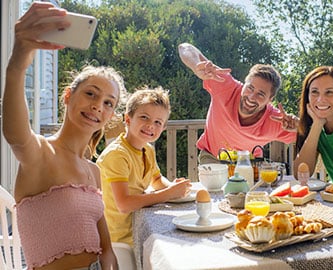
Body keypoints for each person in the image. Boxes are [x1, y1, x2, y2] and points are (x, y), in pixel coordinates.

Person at [2, 2, 124, 269]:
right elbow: (15, 134)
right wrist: (17, 65)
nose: (97, 106)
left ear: (112, 114)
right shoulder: (41, 154)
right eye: (90, 93)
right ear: (68, 96)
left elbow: (107, 250)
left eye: (108, 103)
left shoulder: (93, 172)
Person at [96, 87, 191, 246]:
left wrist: (177, 188)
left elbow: (157, 181)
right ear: (128, 119)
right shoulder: (117, 155)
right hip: (120, 241)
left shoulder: (148, 150)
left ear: (163, 127)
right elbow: (124, 204)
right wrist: (169, 193)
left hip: (141, 226)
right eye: (144, 117)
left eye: (157, 122)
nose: (150, 125)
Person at [178, 43, 298, 164]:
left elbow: (311, 136)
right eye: (250, 88)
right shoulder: (224, 85)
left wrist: (300, 126)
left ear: (270, 99)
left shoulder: (276, 120)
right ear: (244, 83)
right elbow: (184, 47)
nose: (251, 97)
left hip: (249, 163)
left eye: (260, 94)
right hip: (213, 158)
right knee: (215, 182)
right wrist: (196, 66)